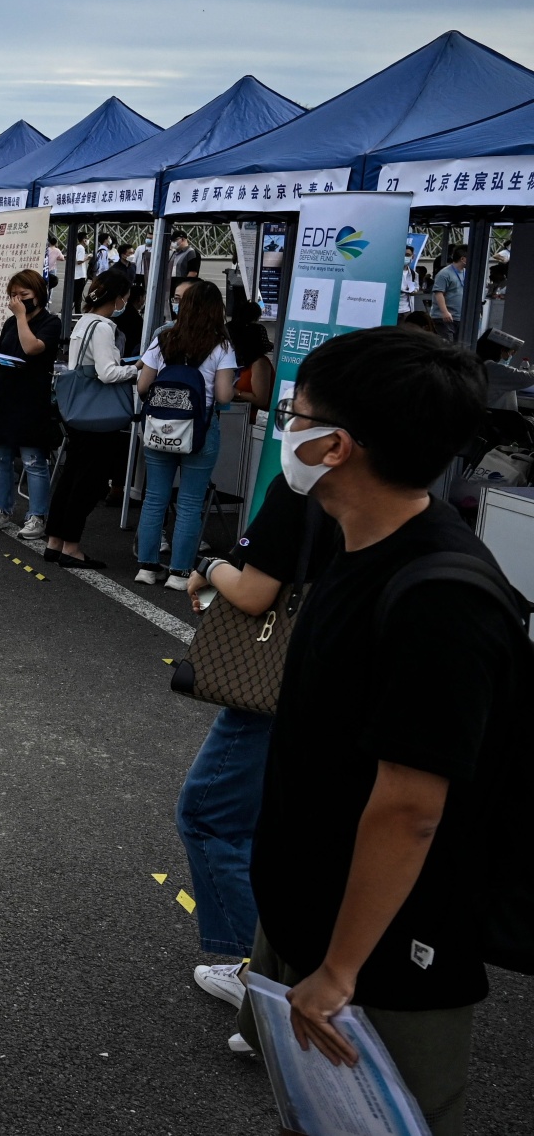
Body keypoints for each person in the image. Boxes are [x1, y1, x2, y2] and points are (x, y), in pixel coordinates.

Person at [236, 328, 519, 1136]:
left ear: (337, 446)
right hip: (311, 916)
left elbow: (409, 808)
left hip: (384, 961)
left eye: (295, 415)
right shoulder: (356, 541)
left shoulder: (440, 599)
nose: (285, 428)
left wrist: (340, 967)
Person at [179, 481, 339, 1013]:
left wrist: (209, 564)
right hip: (344, 680)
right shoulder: (396, 487)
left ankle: (265, 978)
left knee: (209, 816)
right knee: (304, 830)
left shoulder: (303, 486)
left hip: (281, 686)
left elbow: (253, 592)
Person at [133, 279, 236, 588]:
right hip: (200, 430)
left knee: (155, 498)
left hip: (159, 428)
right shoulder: (221, 346)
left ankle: (147, 568)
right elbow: (223, 396)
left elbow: (142, 386)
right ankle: (179, 574)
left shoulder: (164, 339)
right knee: (190, 503)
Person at [43, 269, 140, 569]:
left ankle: (54, 541)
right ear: (118, 298)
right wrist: (137, 369)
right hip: (99, 417)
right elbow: (107, 372)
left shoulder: (84, 321)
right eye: (126, 297)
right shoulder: (103, 327)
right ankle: (71, 547)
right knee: (88, 483)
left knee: (70, 476)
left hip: (78, 411)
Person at [0, 269, 64, 544]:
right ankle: (1, 509)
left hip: (31, 398)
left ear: (38, 293)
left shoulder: (50, 322)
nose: (17, 300)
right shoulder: (9, 323)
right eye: (13, 295)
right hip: (4, 394)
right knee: (0, 457)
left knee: (33, 460)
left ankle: (37, 515)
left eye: (23, 294)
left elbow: (31, 348)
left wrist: (20, 317)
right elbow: (5, 351)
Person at [431, 243, 468, 342]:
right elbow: (439, 293)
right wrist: (445, 312)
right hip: (445, 318)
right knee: (446, 345)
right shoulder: (444, 273)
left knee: (458, 345)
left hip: (459, 317)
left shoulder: (466, 272)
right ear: (463, 259)